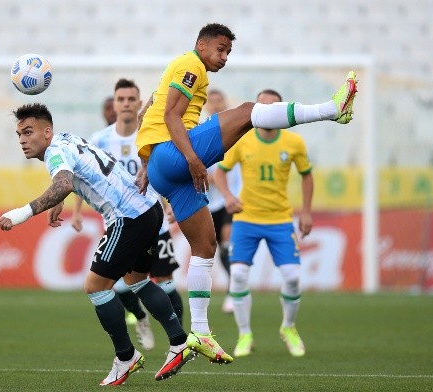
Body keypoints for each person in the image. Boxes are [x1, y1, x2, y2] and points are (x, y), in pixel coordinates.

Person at [135, 22, 357, 364]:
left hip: (164, 170)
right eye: (221, 50)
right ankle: (330, 109)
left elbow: (147, 111)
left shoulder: (185, 71)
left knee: (205, 246)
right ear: (202, 44)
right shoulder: (190, 65)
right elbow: (169, 115)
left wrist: (145, 167)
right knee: (247, 111)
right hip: (174, 155)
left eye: (229, 52)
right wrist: (193, 159)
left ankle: (199, 332)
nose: (224, 58)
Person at [0, 103, 196, 385]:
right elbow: (74, 173)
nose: (22, 140)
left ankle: (126, 357)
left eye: (28, 132)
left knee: (95, 286)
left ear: (47, 131)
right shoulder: (67, 138)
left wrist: (21, 214)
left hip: (127, 216)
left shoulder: (54, 150)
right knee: (137, 280)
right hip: (150, 207)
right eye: (19, 134)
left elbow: (63, 182)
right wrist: (61, 197)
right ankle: (179, 341)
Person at [72, 78, 184, 351]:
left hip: (153, 219)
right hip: (120, 223)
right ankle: (142, 318)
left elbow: (164, 171)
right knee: (122, 286)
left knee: (166, 284)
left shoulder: (149, 135)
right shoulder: (100, 139)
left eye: (131, 99)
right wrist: (76, 211)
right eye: (120, 99)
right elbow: (83, 176)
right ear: (114, 102)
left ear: (137, 102)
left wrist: (171, 204)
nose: (125, 104)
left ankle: (177, 339)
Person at [214, 89, 313, 358]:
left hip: (280, 219)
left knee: (292, 278)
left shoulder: (293, 143)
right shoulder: (242, 141)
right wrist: (227, 197)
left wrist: (305, 211)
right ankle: (244, 333)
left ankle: (288, 327)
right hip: (246, 219)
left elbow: (306, 175)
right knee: (238, 276)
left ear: (280, 110)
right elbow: (220, 171)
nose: (267, 111)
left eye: (272, 107)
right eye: (262, 106)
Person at [201, 88, 242, 314]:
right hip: (209, 202)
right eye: (212, 101)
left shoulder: (234, 132)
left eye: (219, 100)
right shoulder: (202, 131)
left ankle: (233, 291)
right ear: (206, 105)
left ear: (225, 103)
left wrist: (220, 178)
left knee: (228, 241)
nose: (216, 105)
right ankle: (233, 285)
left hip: (231, 197)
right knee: (217, 248)